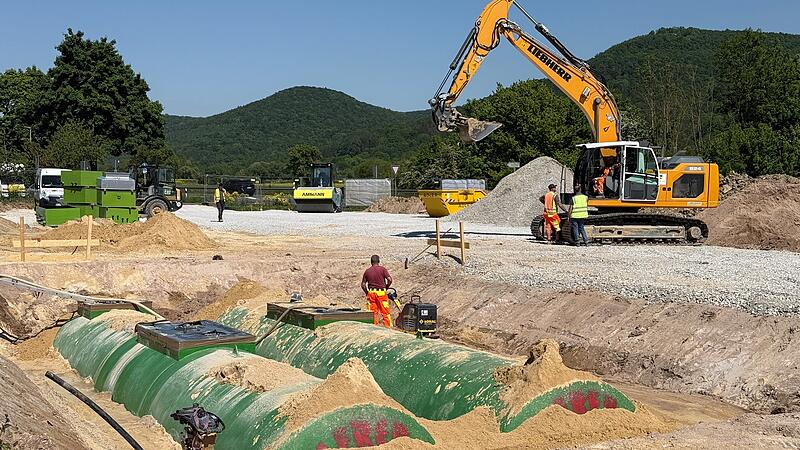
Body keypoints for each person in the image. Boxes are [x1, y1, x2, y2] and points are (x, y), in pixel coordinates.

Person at [361, 255, 393, 328]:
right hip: (381, 293)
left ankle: (374, 329)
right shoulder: (382, 269)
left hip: (371, 293)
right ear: (379, 261)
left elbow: (363, 284)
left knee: (373, 313)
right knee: (385, 312)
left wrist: (367, 293)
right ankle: (388, 328)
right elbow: (390, 280)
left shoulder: (367, 271)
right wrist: (387, 287)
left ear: (371, 262)